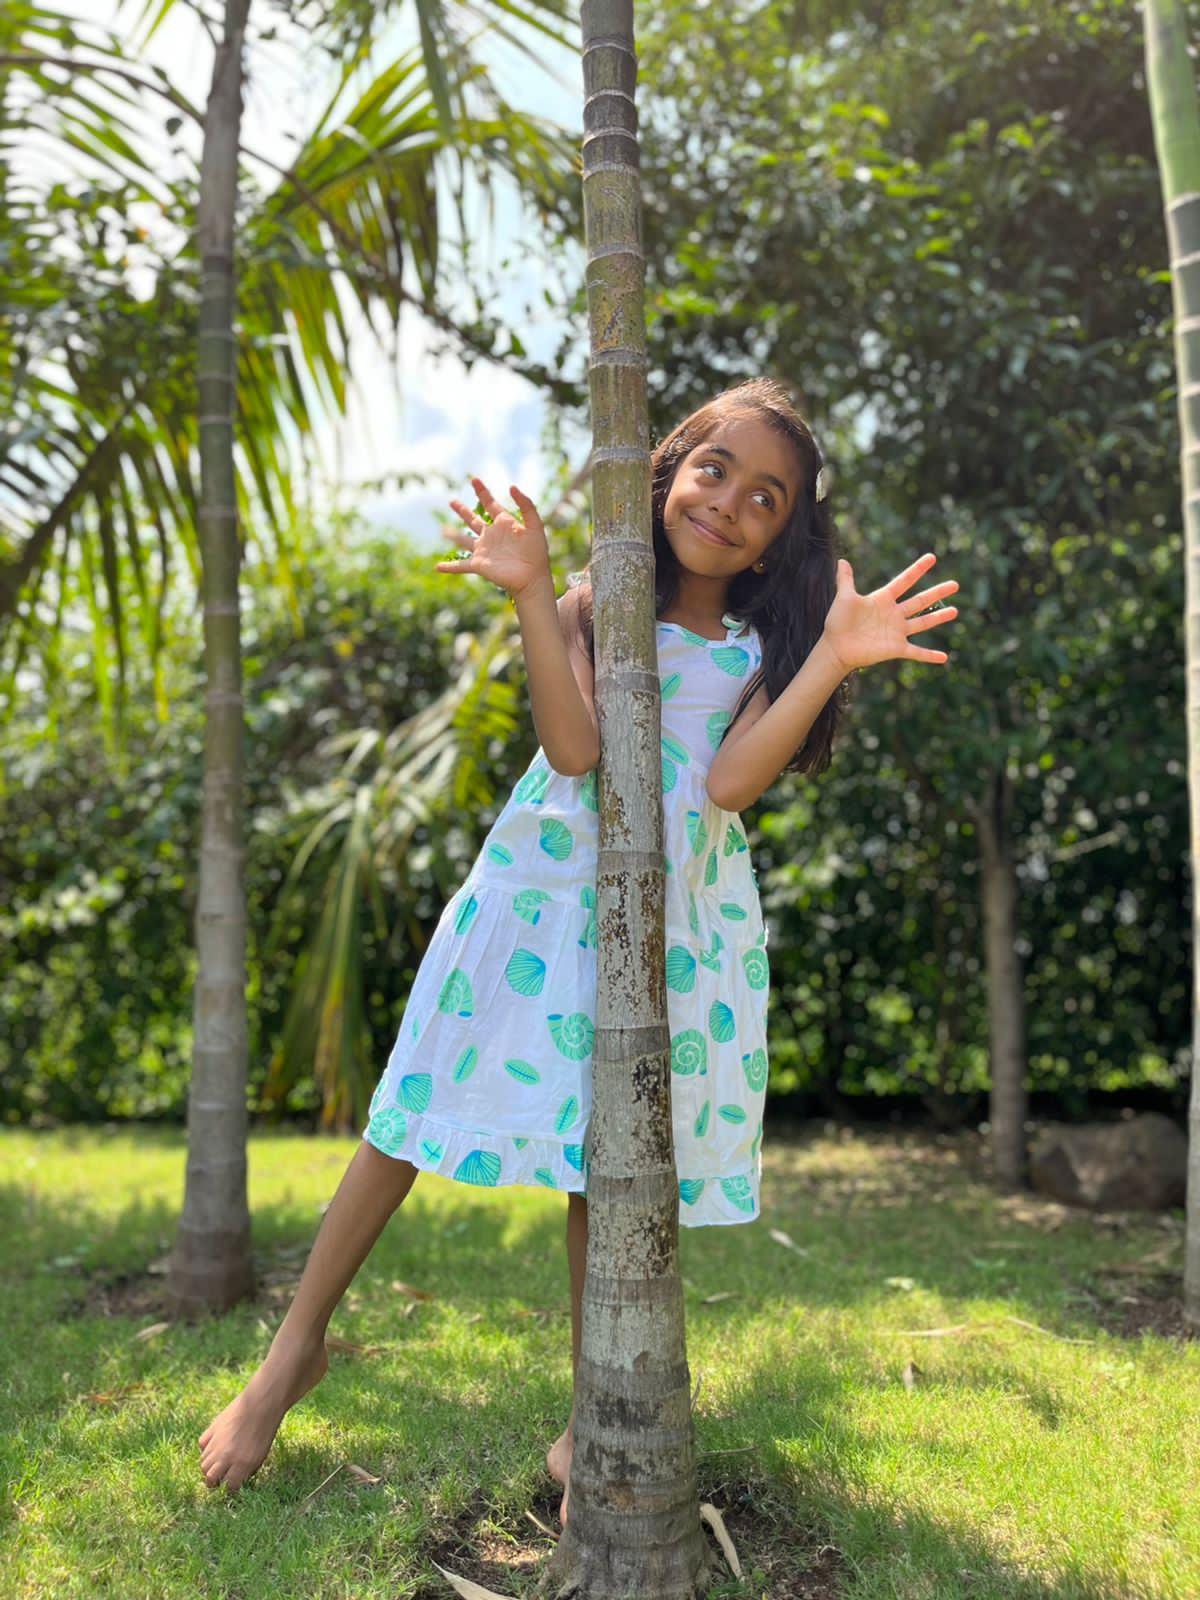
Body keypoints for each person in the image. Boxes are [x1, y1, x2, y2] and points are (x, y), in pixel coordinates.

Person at [198, 377, 958, 1519]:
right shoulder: (596, 593)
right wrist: (528, 599)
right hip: (537, 892)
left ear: (783, 535)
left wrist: (834, 659)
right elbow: (571, 748)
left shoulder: (765, 646)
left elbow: (729, 784)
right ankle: (292, 1349)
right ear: (667, 468)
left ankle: (591, 1412)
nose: (731, 504)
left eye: (766, 498)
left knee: (610, 1165)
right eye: (715, 470)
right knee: (402, 1118)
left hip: (673, 931)